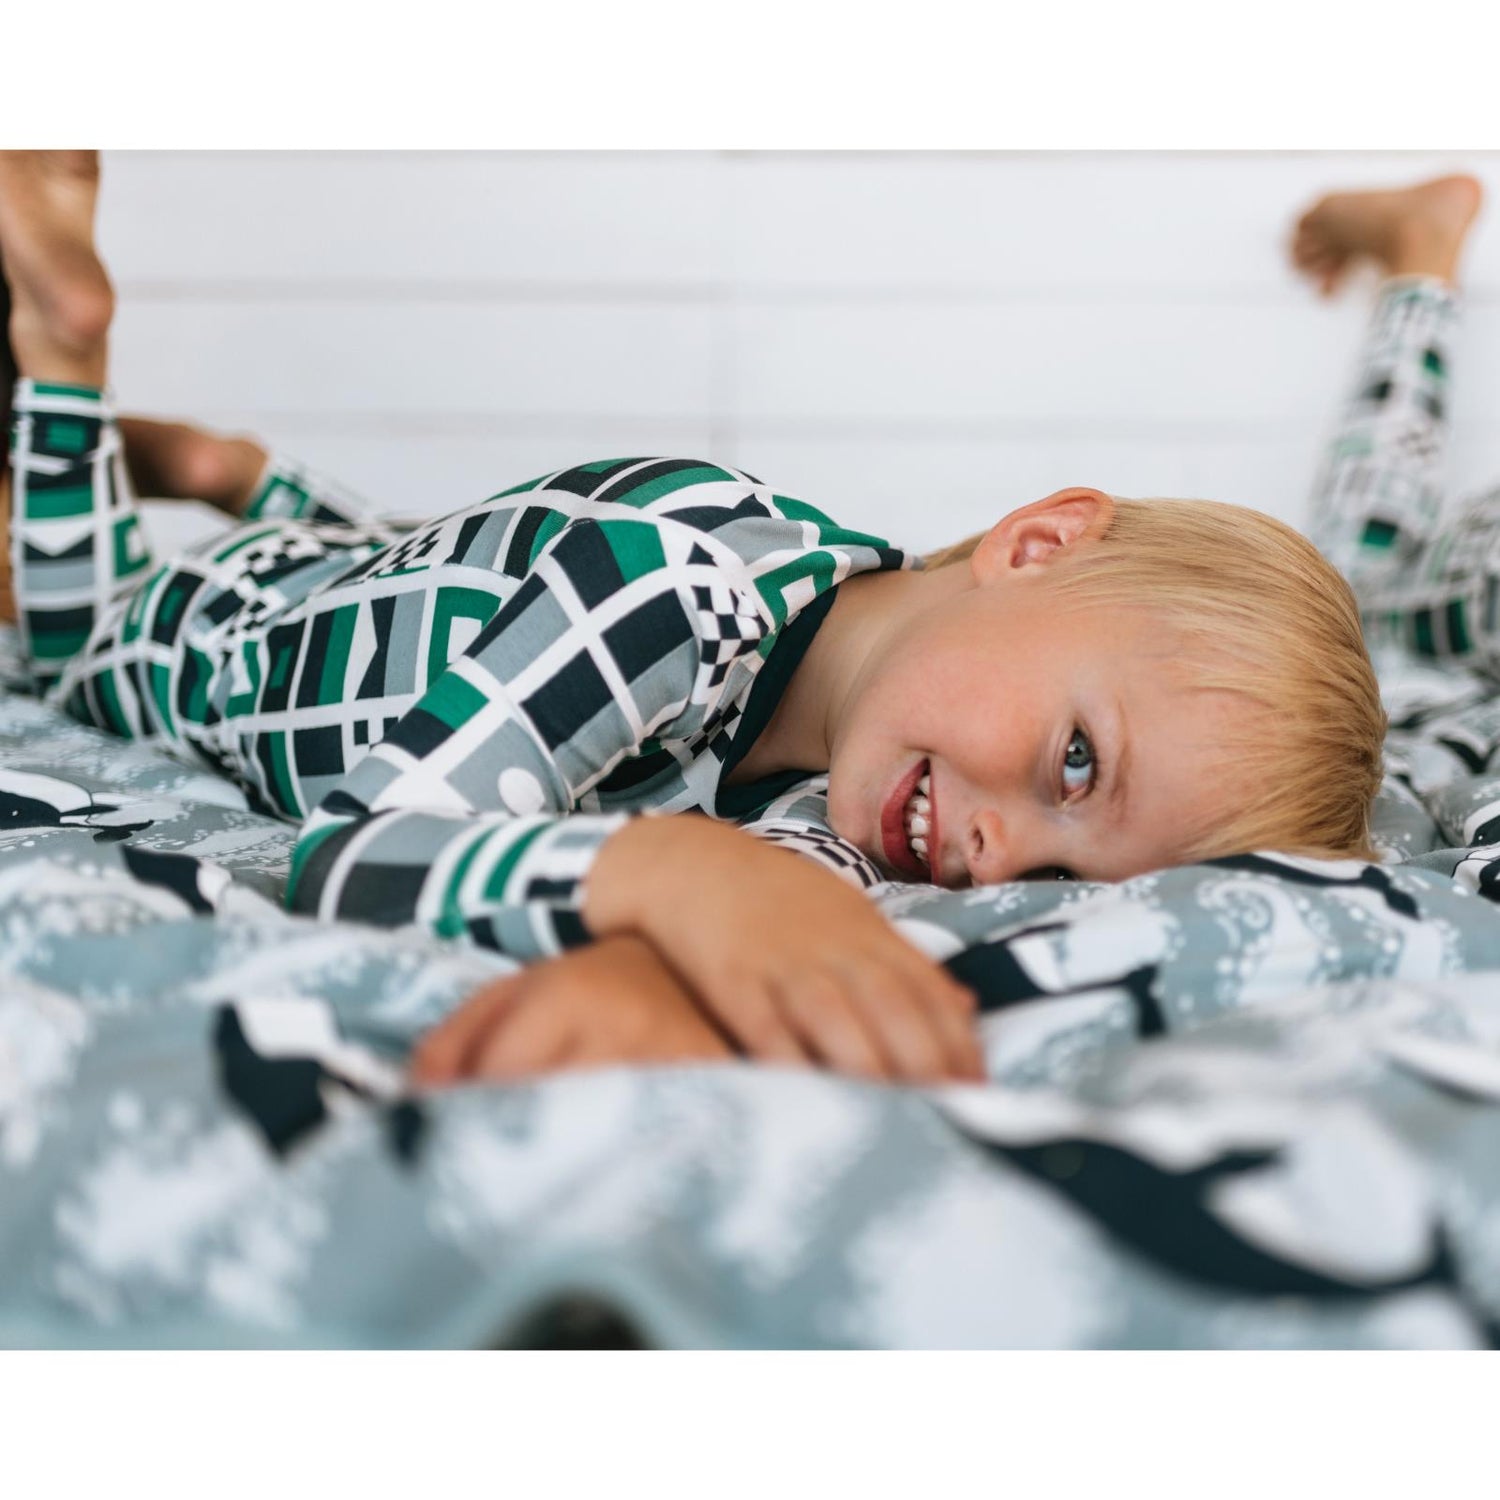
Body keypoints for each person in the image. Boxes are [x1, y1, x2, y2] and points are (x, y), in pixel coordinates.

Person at [1, 151, 1388, 1087]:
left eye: (1069, 881)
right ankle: (65, 359)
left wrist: (682, 982)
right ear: (1035, 545)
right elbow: (350, 846)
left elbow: (792, 902)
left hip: (415, 602)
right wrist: (666, 880)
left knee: (412, 574)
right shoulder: (678, 582)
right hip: (260, 635)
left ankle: (239, 474)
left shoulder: (864, 742)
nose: (997, 856)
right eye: (1078, 762)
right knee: (77, 639)